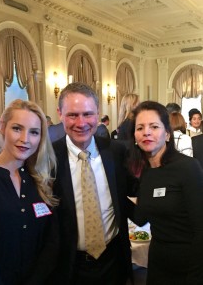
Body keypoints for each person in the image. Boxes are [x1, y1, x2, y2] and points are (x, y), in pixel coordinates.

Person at [52, 82, 136, 285]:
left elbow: (137, 190)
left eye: (88, 114)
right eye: (73, 115)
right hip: (70, 267)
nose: (81, 123)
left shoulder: (117, 152)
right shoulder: (48, 159)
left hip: (114, 261)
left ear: (98, 114)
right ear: (60, 114)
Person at [0, 99, 59, 285]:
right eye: (17, 128)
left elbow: (51, 242)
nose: (25, 139)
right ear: (3, 128)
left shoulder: (41, 181)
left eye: (34, 132)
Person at [127, 101, 203, 285]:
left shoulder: (187, 167)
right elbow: (141, 217)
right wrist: (114, 191)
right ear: (135, 136)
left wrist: (196, 277)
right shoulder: (145, 171)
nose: (146, 132)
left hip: (188, 266)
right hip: (158, 265)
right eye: (140, 127)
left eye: (154, 126)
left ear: (167, 134)